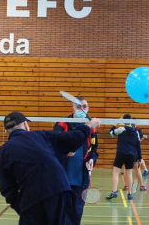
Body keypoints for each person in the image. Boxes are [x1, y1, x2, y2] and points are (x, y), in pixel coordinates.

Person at [0, 111, 100, 225]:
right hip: (58, 189)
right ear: (26, 125)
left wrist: (21, 206)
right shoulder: (40, 136)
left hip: (30, 197)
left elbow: (7, 188)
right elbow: (72, 139)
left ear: (6, 132)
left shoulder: (1, 154)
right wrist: (89, 125)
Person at [53, 96, 98, 225]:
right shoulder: (63, 123)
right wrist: (65, 151)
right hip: (62, 177)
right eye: (79, 106)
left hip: (80, 177)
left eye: (84, 107)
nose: (82, 109)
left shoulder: (91, 126)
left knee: (76, 212)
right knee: (60, 211)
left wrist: (91, 160)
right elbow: (53, 143)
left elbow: (94, 149)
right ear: (72, 108)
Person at [106, 114, 142, 201]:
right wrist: (139, 158)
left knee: (115, 173)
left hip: (121, 153)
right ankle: (129, 194)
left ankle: (114, 191)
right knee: (129, 174)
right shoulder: (136, 132)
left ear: (123, 121)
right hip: (131, 155)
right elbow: (138, 145)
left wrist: (115, 124)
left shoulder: (120, 130)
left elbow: (110, 133)